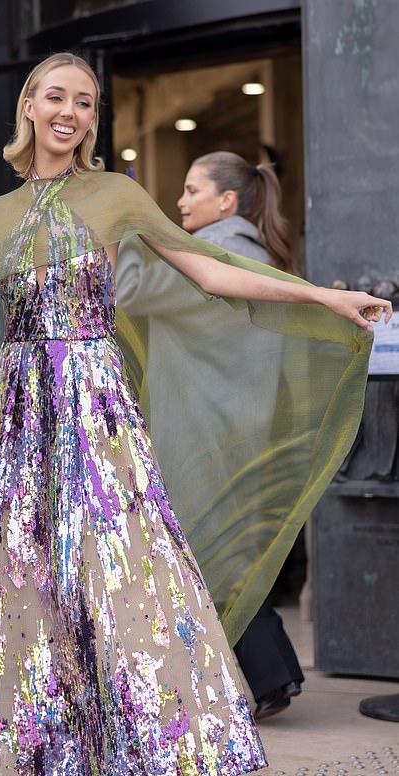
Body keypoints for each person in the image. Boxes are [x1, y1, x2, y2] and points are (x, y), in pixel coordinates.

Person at [0, 52, 389, 774]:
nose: (71, 112)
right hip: (20, 406)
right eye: (58, 97)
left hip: (94, 405)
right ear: (30, 104)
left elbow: (208, 267)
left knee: (126, 568)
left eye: (87, 103)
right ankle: (45, 744)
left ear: (94, 120)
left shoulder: (115, 195)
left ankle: (153, 743)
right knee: (29, 573)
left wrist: (322, 297)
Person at [117, 151, 305, 720]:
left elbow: (127, 290)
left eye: (191, 190)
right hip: (239, 431)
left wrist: (126, 228)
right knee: (216, 555)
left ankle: (265, 678)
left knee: (199, 558)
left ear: (226, 201)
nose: (180, 202)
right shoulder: (254, 253)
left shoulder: (212, 257)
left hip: (207, 434)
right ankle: (271, 677)